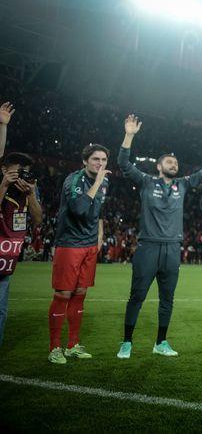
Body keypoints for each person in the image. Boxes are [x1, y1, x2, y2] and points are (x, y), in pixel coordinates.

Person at [116, 114, 202, 358]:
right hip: (148, 248)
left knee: (167, 299)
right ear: (158, 166)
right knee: (137, 296)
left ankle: (160, 343)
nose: (173, 164)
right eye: (168, 162)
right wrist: (129, 135)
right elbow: (123, 163)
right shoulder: (146, 181)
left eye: (175, 162)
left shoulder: (183, 185)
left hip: (172, 249)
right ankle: (126, 342)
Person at [48, 144, 110, 364]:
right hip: (70, 244)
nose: (100, 164)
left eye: (103, 160)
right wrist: (97, 183)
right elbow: (79, 209)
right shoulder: (73, 180)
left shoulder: (105, 182)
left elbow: (98, 211)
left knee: (80, 292)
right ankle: (55, 347)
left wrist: (100, 236)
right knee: (63, 293)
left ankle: (72, 345)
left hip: (89, 245)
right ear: (85, 161)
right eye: (95, 159)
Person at [0, 152, 42, 348]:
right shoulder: (2, 184)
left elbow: (38, 219)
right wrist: (3, 185)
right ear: (4, 170)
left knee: (1, 310)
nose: (22, 176)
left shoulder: (29, 189)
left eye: (25, 172)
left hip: (5, 260)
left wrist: (31, 195)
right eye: (18, 171)